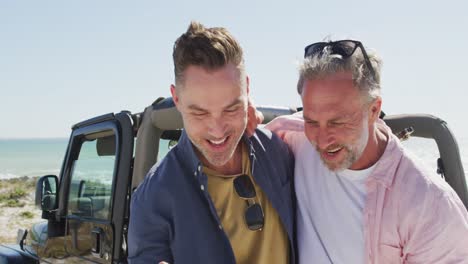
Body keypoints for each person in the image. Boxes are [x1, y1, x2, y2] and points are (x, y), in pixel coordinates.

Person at [266, 40, 468, 263]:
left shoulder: (429, 204)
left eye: (338, 122)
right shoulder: (293, 137)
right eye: (311, 121)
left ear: (373, 110)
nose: (322, 140)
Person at [127, 21, 295, 264]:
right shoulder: (153, 197)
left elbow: (325, 122)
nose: (218, 130)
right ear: (176, 98)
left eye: (230, 108)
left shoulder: (279, 151)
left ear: (246, 88)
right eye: (200, 113)